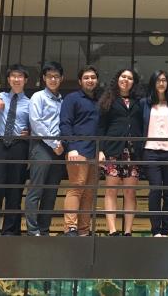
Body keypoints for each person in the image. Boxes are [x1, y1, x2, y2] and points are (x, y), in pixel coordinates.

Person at [0, 64, 31, 236]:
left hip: (19, 146)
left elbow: (35, 123)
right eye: (13, 76)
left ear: (26, 80)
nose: (17, 79)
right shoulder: (0, 96)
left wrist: (31, 132)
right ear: (9, 79)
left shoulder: (30, 103)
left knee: (15, 190)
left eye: (20, 76)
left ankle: (11, 230)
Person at [98, 69, 143, 237]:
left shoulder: (139, 101)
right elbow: (101, 127)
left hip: (133, 150)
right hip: (113, 149)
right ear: (117, 79)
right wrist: (100, 150)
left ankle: (128, 231)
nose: (126, 80)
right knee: (111, 190)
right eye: (123, 77)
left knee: (130, 191)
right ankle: (112, 230)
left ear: (134, 82)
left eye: (130, 78)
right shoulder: (108, 99)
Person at [59, 65, 103, 237]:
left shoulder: (100, 100)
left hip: (95, 151)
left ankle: (83, 230)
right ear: (80, 81)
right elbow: (65, 123)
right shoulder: (72, 99)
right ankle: (70, 228)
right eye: (86, 77)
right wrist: (71, 147)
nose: (90, 80)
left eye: (92, 77)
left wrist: (102, 150)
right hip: (78, 150)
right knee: (76, 188)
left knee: (89, 192)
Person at [25, 61, 65, 236]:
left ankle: (44, 229)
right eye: (50, 76)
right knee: (36, 189)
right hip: (42, 146)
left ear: (61, 78)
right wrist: (55, 143)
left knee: (51, 191)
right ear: (44, 78)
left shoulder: (62, 100)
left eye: (56, 76)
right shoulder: (38, 97)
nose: (53, 79)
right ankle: (33, 230)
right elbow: (36, 123)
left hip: (58, 150)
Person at [140, 70, 168, 237]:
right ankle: (156, 230)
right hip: (151, 151)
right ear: (153, 83)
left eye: (164, 80)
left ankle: (166, 230)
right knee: (155, 189)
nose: (161, 83)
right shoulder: (144, 104)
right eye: (158, 80)